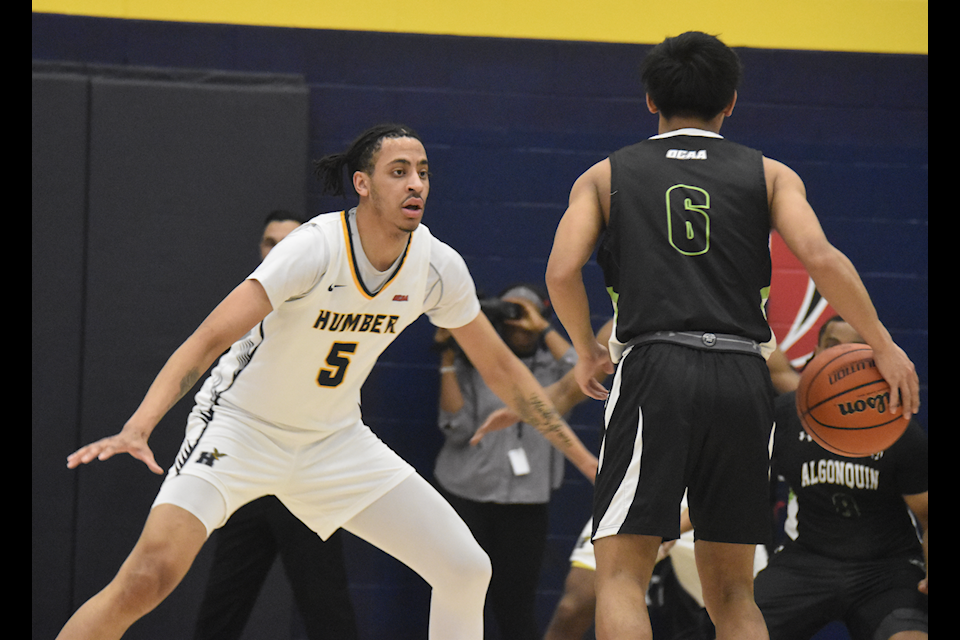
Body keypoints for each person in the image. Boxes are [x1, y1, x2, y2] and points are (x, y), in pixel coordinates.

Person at [59, 123, 599, 640]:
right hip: (241, 429)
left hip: (333, 442)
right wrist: (139, 426)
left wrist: (586, 463)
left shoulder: (436, 266)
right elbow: (207, 339)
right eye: (400, 171)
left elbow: (503, 369)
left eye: (424, 172)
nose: (416, 183)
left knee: (465, 566)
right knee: (146, 580)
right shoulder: (315, 247)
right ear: (362, 184)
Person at [542, 31, 919, 640]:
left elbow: (561, 271)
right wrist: (883, 343)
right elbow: (821, 257)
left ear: (649, 100)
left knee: (620, 579)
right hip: (744, 376)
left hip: (654, 367)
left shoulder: (605, 174)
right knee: (735, 593)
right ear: (731, 102)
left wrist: (586, 348)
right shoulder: (770, 175)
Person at [193, 210, 358, 640]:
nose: (279, 249)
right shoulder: (242, 307)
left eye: (290, 241)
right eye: (271, 242)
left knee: (328, 610)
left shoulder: (332, 305)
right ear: (261, 250)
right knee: (221, 606)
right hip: (249, 472)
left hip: (306, 475)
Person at [753, 316, 928, 640]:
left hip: (886, 569)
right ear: (815, 353)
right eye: (833, 347)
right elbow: (734, 491)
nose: (842, 358)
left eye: (855, 350)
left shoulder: (901, 431)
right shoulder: (786, 415)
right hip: (805, 560)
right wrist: (668, 531)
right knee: (739, 627)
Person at [433, 283, 577, 640]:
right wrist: (448, 358)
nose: (518, 325)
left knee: (516, 603)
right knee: (461, 598)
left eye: (525, 316)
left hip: (526, 503)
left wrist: (542, 326)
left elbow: (585, 371)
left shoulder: (553, 371)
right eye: (510, 316)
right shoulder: (476, 366)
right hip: (468, 495)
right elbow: (455, 430)